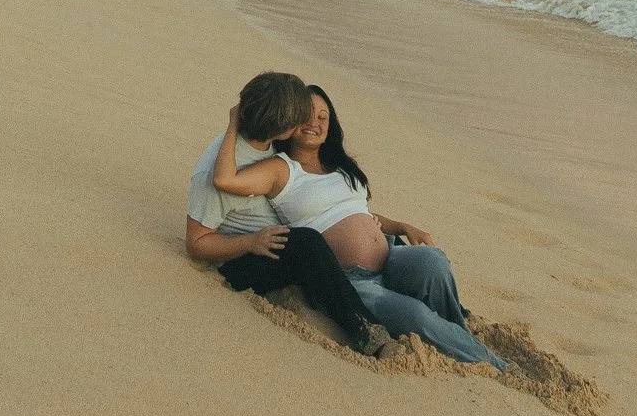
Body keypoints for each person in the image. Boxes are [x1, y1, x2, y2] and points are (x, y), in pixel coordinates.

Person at [213, 84, 506, 370]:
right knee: (415, 315)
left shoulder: (341, 167)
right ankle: (494, 364)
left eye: (323, 116)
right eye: (305, 115)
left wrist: (403, 226)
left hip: (391, 256)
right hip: (351, 279)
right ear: (289, 121)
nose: (314, 123)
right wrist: (233, 123)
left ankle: (459, 329)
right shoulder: (280, 169)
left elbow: (358, 213)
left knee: (433, 260)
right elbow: (224, 180)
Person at [185, 71, 389, 356]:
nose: (308, 122)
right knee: (307, 243)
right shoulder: (215, 170)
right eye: (300, 116)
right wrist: (251, 242)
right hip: (243, 259)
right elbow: (195, 243)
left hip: (278, 239)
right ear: (283, 129)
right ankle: (367, 331)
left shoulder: (267, 145)